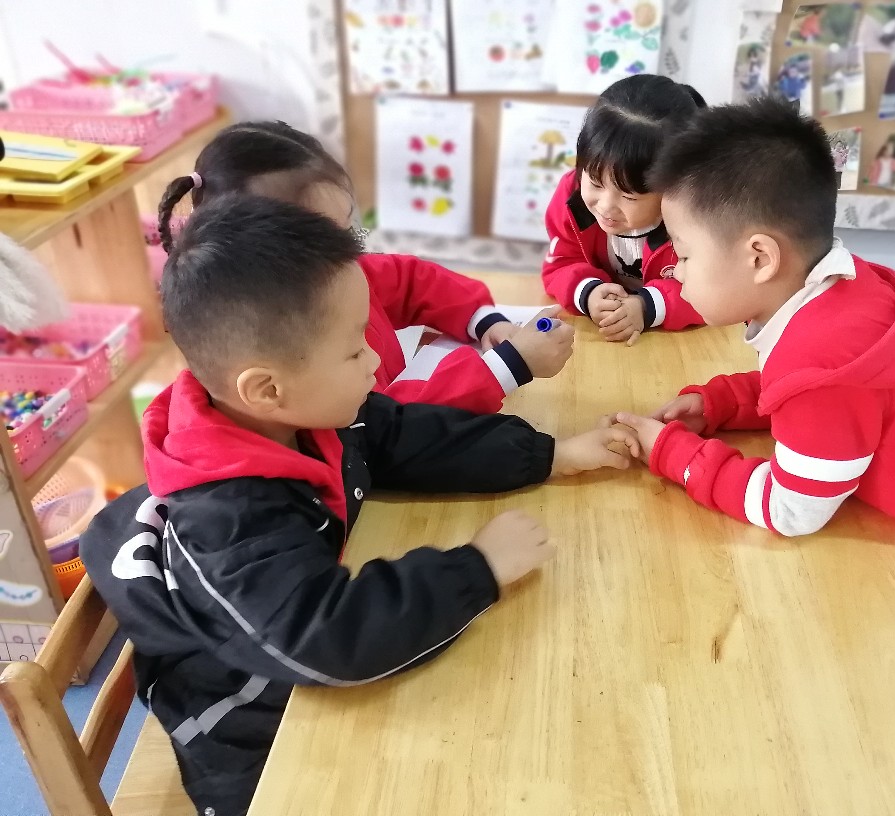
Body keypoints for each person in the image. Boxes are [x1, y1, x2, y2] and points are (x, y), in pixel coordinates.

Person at [81, 194, 638, 816]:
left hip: (306, 657)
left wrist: (550, 455)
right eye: (353, 349)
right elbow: (327, 637)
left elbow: (401, 435)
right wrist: (477, 569)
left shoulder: (293, 411)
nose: (376, 359)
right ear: (266, 387)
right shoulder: (228, 520)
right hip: (248, 728)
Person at [609, 96, 895, 656]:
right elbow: (810, 390)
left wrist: (672, 454)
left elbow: (789, 508)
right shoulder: (839, 286)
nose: (673, 271)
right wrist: (723, 402)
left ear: (760, 258)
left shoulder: (823, 365)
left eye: (684, 255)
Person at [158, 121, 572, 416]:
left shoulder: (337, 277)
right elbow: (385, 424)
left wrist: (482, 319)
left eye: (347, 228)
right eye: (331, 240)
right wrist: (509, 365)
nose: (351, 253)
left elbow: (410, 280)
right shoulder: (294, 361)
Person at [542, 75, 706, 345]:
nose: (606, 206)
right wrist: (588, 292)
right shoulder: (572, 196)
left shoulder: (701, 218)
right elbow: (560, 263)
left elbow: (717, 290)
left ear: (673, 189)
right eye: (595, 183)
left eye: (629, 196)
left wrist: (647, 306)